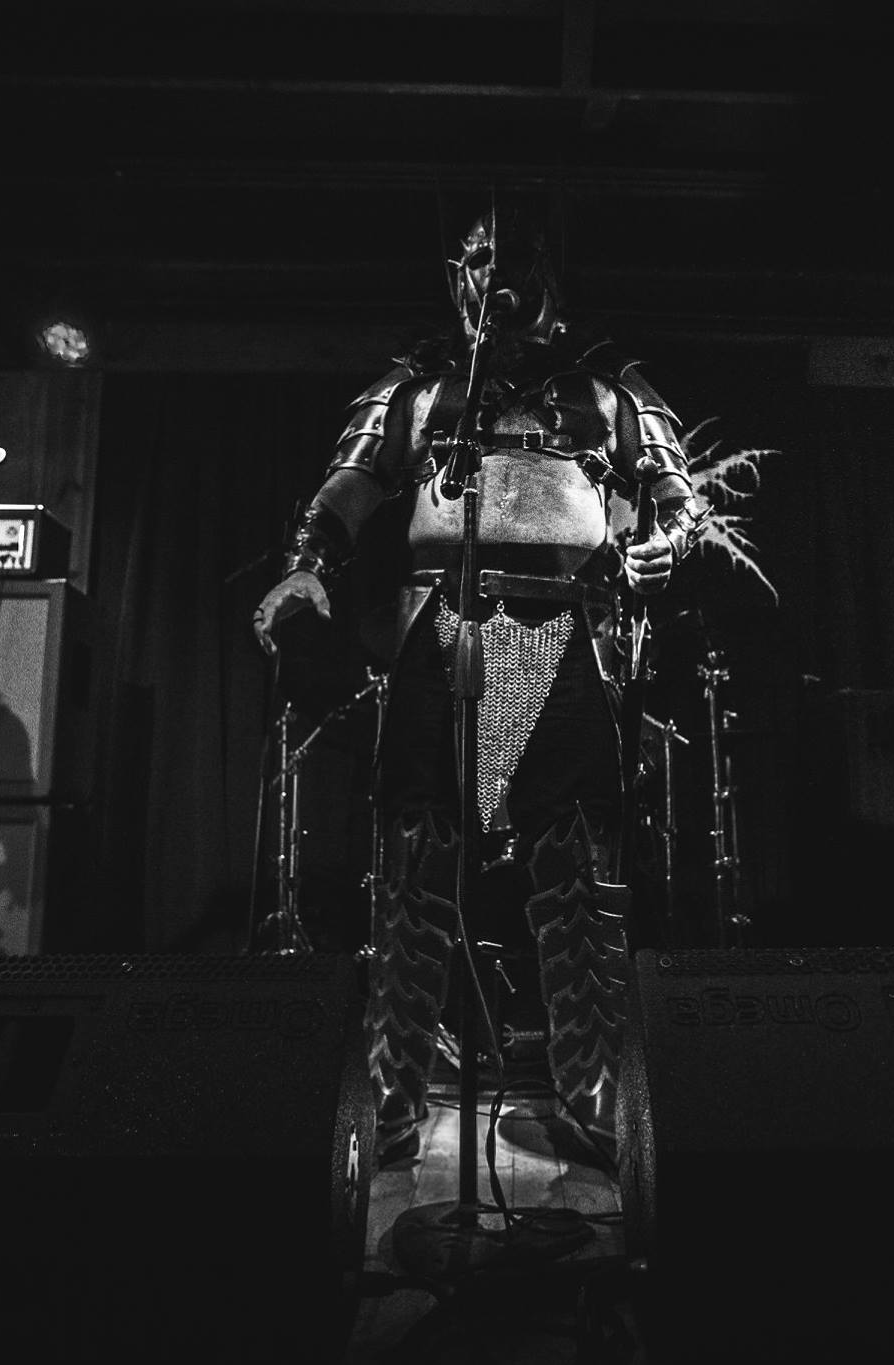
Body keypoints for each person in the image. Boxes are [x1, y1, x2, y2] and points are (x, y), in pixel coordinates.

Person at [253, 203, 707, 1165]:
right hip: (441, 628)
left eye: (508, 261)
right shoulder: (418, 392)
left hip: (570, 634)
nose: (488, 277)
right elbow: (346, 491)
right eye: (472, 260)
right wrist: (307, 567)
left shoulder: (611, 391)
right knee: (413, 869)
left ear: (547, 276)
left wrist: (664, 544)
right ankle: (392, 1100)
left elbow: (681, 502)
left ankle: (592, 1097)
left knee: (579, 876)